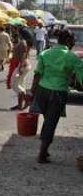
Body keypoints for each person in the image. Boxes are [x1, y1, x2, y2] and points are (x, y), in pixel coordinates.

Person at [31, 29, 83, 164]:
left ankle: (45, 149)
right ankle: (42, 154)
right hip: (58, 93)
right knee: (51, 123)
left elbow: (37, 74)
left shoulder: (45, 53)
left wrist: (32, 92)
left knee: (48, 119)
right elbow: (81, 77)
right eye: (72, 41)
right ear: (68, 41)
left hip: (42, 91)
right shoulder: (72, 57)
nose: (73, 43)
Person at [9, 29, 31, 110]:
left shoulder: (23, 42)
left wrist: (21, 67)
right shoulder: (22, 41)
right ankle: (19, 105)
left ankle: (27, 99)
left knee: (14, 84)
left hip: (23, 65)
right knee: (20, 84)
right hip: (22, 64)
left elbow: (23, 55)